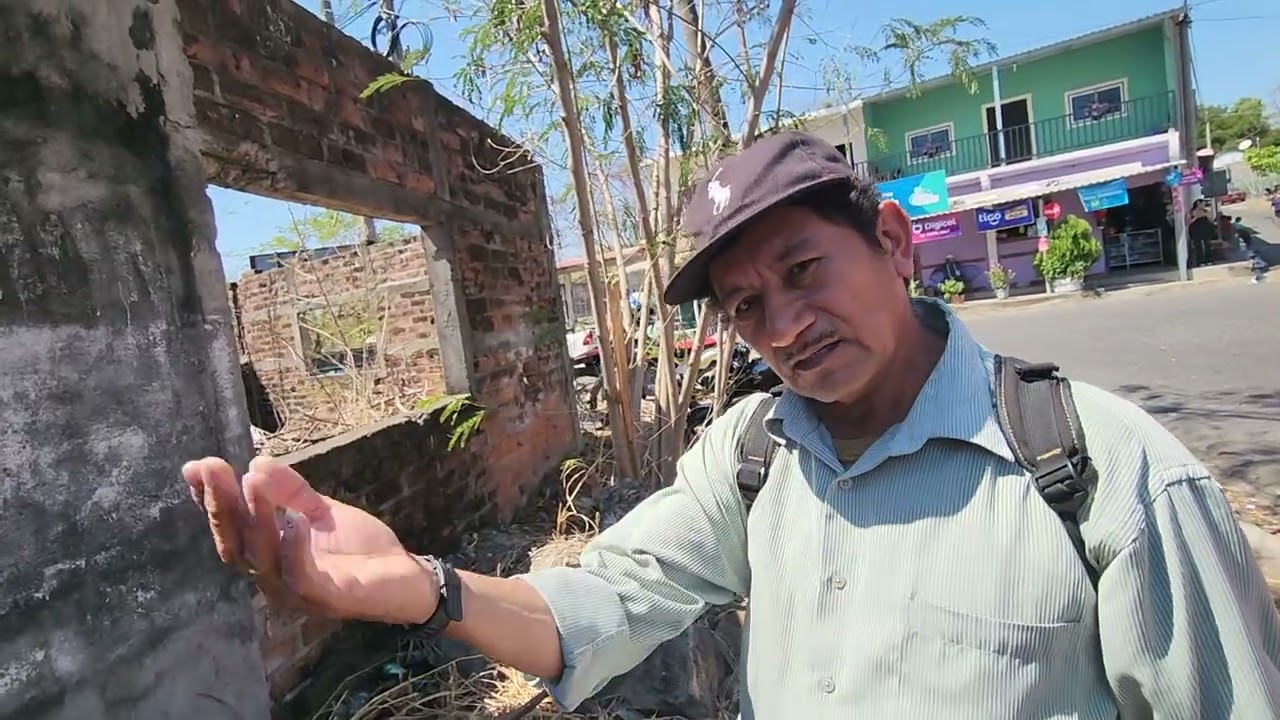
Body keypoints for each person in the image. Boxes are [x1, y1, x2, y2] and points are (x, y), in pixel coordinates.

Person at [184, 132, 1280, 718]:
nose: (784, 326)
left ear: (892, 242)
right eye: (748, 305)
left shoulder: (1101, 472)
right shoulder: (755, 456)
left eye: (804, 270)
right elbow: (605, 603)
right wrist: (425, 586)